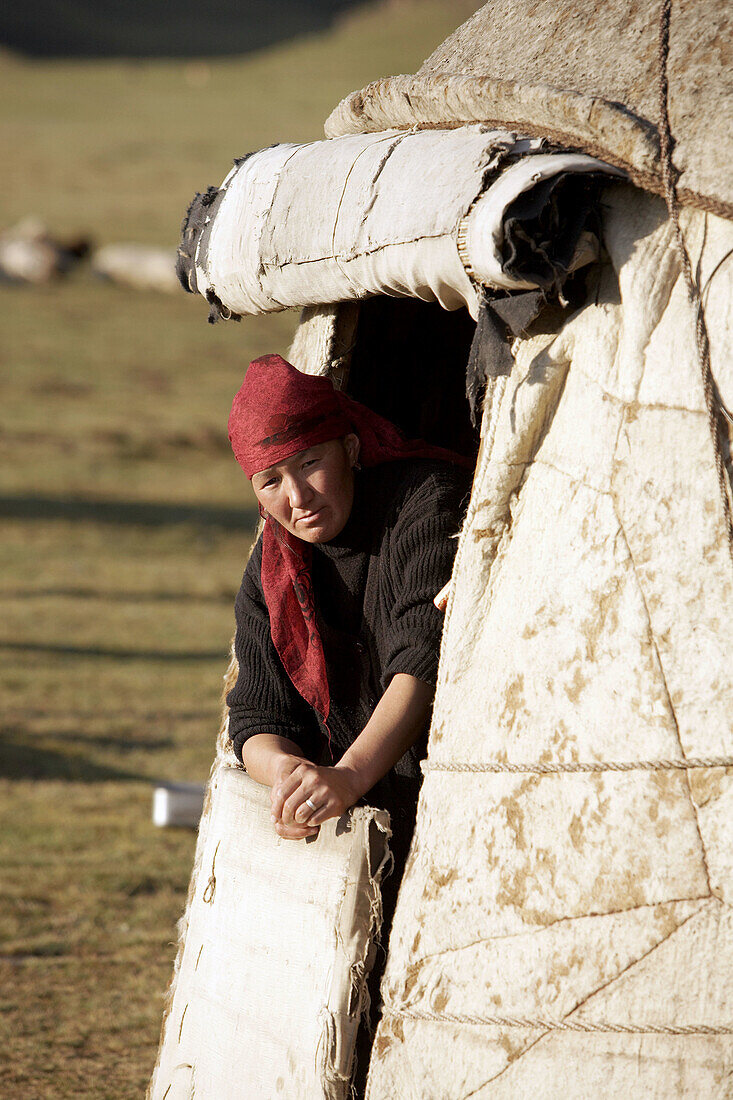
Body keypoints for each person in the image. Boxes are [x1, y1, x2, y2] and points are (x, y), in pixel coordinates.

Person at [225, 354, 472, 847]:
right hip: (358, 832)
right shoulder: (274, 567)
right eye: (271, 480)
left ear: (351, 448)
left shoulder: (424, 503)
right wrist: (287, 777)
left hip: (452, 802)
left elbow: (424, 656)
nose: (297, 497)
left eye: (310, 462)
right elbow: (257, 713)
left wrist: (350, 776)